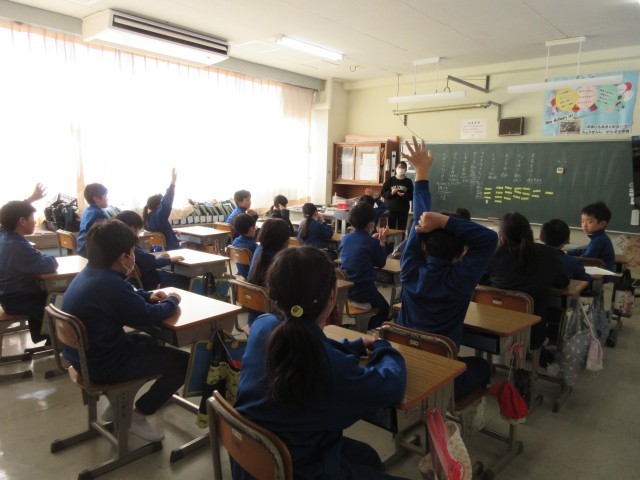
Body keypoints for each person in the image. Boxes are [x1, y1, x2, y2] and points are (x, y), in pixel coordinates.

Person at [234, 246, 407, 480]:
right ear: (333, 294)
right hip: (298, 469)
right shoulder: (330, 368)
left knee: (366, 456)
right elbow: (391, 385)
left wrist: (353, 347)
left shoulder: (262, 326)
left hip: (255, 460)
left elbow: (308, 346)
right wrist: (384, 348)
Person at [61, 219, 188, 442]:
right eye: (133, 252)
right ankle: (138, 415)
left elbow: (125, 295)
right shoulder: (110, 285)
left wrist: (147, 295)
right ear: (124, 258)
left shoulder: (91, 273)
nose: (134, 256)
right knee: (184, 363)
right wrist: (173, 300)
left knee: (149, 343)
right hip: (104, 366)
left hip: (84, 359)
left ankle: (119, 404)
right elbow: (148, 316)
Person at [397, 137, 497, 398]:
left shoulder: (409, 272)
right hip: (439, 372)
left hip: (401, 365)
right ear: (462, 251)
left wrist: (422, 172)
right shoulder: (460, 279)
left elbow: (419, 223)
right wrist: (443, 221)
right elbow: (489, 239)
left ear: (422, 247)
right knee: (483, 366)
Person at [481, 212, 570, 358]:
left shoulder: (493, 255)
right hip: (533, 333)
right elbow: (563, 282)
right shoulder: (548, 253)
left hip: (495, 330)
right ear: (530, 232)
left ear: (501, 237)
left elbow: (481, 283)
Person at [0, 184, 58, 344]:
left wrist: (30, 199)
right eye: (33, 218)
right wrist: (44, 256)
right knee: (60, 300)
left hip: (8, 296)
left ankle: (46, 337)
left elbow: (9, 214)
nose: (35, 222)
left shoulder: (4, 235)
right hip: (20, 300)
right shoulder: (17, 246)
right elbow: (50, 265)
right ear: (22, 221)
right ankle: (56, 340)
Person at [339, 202, 389, 329]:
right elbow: (381, 263)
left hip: (346, 289)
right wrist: (382, 242)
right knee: (386, 310)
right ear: (370, 224)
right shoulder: (372, 242)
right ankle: (364, 327)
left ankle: (358, 326)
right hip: (364, 291)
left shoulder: (345, 238)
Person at [115, 210, 189, 290]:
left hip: (143, 281)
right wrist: (171, 259)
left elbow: (146, 260)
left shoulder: (118, 245)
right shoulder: (130, 246)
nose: (137, 234)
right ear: (132, 228)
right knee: (185, 280)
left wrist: (157, 258)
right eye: (137, 230)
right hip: (152, 281)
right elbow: (151, 262)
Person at [246, 218, 290, 326]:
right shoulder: (282, 261)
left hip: (254, 317)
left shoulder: (259, 249)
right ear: (285, 241)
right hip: (275, 322)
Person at [566, 201, 615, 272]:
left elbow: (585, 259)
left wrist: (566, 258)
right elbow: (585, 251)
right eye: (582, 221)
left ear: (602, 224)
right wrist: (569, 252)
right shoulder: (598, 237)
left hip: (600, 275)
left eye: (589, 222)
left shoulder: (600, 240)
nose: (584, 225)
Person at [143, 168, 181, 251]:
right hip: (171, 249)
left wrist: (172, 231)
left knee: (184, 244)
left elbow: (160, 233)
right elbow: (167, 199)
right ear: (158, 205)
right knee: (189, 245)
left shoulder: (147, 219)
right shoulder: (159, 215)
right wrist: (173, 181)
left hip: (158, 249)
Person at [77, 183, 108, 257]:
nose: (107, 199)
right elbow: (105, 235)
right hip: (90, 251)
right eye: (105, 196)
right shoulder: (98, 213)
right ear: (96, 198)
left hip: (82, 248)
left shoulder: (88, 210)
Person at [380, 160, 413, 231]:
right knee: (391, 228)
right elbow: (382, 193)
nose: (401, 169)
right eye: (399, 167)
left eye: (403, 167)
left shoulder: (408, 182)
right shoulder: (390, 180)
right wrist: (391, 193)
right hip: (391, 209)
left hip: (403, 209)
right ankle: (391, 239)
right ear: (396, 168)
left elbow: (412, 196)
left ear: (406, 170)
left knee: (402, 229)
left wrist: (404, 195)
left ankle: (401, 238)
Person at [231, 213, 258, 279]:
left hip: (241, 274)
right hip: (252, 277)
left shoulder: (235, 242)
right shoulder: (253, 246)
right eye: (255, 227)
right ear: (251, 229)